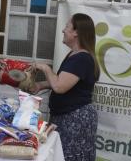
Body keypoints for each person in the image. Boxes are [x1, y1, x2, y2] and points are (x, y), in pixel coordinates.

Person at [32, 13, 100, 161]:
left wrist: (45, 68)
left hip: (74, 119)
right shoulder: (74, 55)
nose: (63, 30)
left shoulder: (81, 58)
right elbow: (62, 81)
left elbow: (59, 87)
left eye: (67, 27)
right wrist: (40, 85)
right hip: (66, 117)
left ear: (76, 32)